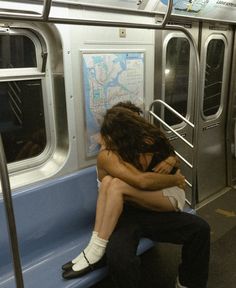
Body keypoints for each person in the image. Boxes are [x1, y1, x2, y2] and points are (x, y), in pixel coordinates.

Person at [62, 103, 210, 288]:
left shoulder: (144, 144)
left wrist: (172, 161)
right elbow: (142, 181)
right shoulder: (109, 154)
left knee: (200, 229)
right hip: (123, 214)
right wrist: (175, 180)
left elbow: (165, 162)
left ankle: (189, 282)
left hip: (151, 211)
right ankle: (96, 249)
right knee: (120, 258)